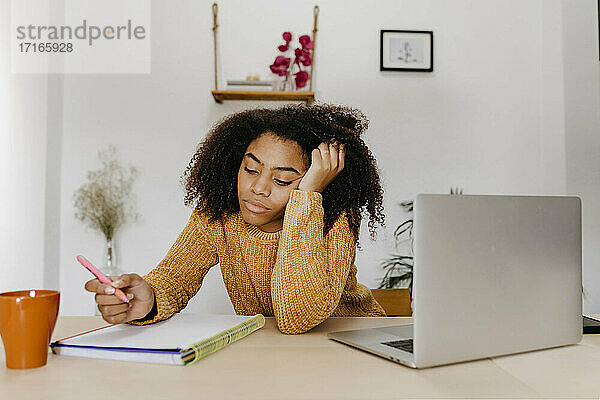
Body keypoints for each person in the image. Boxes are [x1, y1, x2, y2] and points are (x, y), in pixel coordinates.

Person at [85, 103, 387, 334]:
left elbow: (298, 316)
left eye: (282, 180)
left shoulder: (334, 218)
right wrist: (147, 299)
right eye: (250, 169)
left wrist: (308, 197)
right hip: (271, 351)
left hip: (353, 342)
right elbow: (174, 278)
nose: (258, 188)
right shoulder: (219, 214)